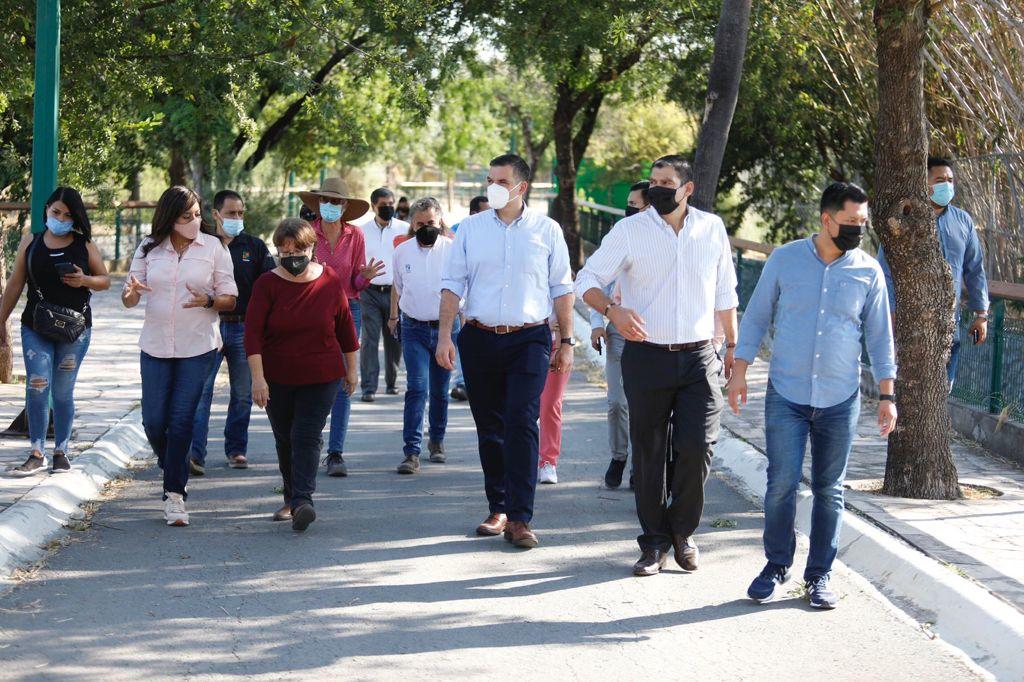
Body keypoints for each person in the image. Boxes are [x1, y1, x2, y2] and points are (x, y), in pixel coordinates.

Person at [730, 182, 898, 609]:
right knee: (780, 484)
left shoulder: (868, 271)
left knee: (830, 489)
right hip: (785, 392)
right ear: (826, 219)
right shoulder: (785, 259)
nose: (859, 230)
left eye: (864, 223)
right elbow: (756, 317)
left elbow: (880, 337)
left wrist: (886, 395)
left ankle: (819, 576)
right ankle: (776, 565)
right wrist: (739, 373)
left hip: (840, 397)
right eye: (851, 222)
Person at [576, 155, 738, 577]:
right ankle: (653, 544)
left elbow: (726, 291)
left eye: (667, 182)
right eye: (653, 181)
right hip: (646, 357)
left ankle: (682, 532)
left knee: (698, 446)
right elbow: (586, 280)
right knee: (648, 454)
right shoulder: (630, 231)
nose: (657, 189)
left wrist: (733, 348)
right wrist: (613, 312)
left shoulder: (711, 229)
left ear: (687, 189)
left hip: (701, 357)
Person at [437, 153, 574, 549]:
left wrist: (565, 342)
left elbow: (562, 288)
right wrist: (445, 335)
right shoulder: (470, 230)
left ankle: (520, 517)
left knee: (521, 420)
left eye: (500, 181)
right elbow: (452, 283)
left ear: (521, 187)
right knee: (491, 427)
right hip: (478, 338)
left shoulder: (547, 231)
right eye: (489, 180)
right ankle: (497, 507)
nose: (492, 187)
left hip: (529, 338)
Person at [123, 186, 238, 526]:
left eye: (198, 214)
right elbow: (131, 296)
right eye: (187, 217)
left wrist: (207, 300)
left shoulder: (213, 247)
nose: (194, 221)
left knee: (182, 419)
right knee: (154, 422)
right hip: (155, 345)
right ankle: (173, 463)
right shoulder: (148, 247)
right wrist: (130, 293)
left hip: (197, 346)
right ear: (170, 218)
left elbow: (230, 297)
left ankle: (175, 495)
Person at [246, 218, 359, 532]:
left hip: (322, 375)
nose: (292, 255)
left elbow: (346, 329)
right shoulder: (267, 284)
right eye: (285, 250)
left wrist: (353, 369)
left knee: (305, 435)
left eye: (299, 249)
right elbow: (252, 335)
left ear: (312, 247)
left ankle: (303, 500)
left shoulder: (330, 280)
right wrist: (258, 379)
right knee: (285, 439)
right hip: (277, 376)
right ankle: (291, 497)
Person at [0, 187, 110, 476]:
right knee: (37, 383)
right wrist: (1, 320)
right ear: (46, 209)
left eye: (67, 215)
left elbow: (104, 280)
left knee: (62, 392)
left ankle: (61, 450)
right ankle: (36, 452)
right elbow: (14, 285)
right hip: (36, 326)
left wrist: (84, 279)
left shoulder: (84, 246)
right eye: (56, 212)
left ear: (75, 218)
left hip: (75, 330)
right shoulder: (31, 242)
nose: (60, 218)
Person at [877, 156, 989, 389]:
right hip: (909, 325)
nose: (946, 185)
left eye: (950, 180)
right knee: (907, 393)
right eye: (939, 180)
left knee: (941, 392)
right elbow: (885, 272)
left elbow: (975, 269)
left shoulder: (963, 222)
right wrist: (892, 314)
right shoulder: (905, 220)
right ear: (924, 182)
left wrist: (981, 314)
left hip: (949, 325)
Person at [297, 178, 382, 477]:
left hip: (348, 309)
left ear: (345, 206)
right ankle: (310, 440)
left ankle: (335, 453)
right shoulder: (308, 233)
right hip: (312, 310)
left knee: (346, 379)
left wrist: (367, 277)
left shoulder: (355, 235)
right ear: (318, 203)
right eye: (326, 201)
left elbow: (356, 283)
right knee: (312, 377)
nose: (331, 206)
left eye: (336, 202)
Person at [189, 189, 273, 475]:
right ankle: (195, 454)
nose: (237, 218)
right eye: (231, 213)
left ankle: (236, 449)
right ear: (215, 215)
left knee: (242, 393)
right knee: (201, 392)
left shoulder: (255, 247)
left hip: (245, 328)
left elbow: (270, 287)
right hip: (208, 325)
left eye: (241, 213)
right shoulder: (202, 246)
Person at [388, 198, 458, 474]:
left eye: (430, 223)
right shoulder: (402, 251)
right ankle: (411, 451)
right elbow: (399, 286)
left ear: (439, 222)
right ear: (412, 225)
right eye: (420, 224)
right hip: (414, 327)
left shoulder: (453, 251)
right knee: (417, 387)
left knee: (440, 390)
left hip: (446, 328)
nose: (426, 227)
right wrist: (394, 317)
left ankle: (437, 441)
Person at [590, 181, 649, 488]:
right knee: (617, 401)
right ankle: (618, 455)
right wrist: (597, 321)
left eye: (634, 204)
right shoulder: (617, 236)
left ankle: (641, 466)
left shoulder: (661, 242)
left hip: (651, 335)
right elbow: (595, 281)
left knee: (645, 404)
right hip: (617, 330)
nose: (628, 209)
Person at [359, 187, 407, 402]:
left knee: (394, 337)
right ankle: (368, 386)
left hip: (395, 291)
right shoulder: (362, 231)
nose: (388, 208)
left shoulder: (405, 230)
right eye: (383, 205)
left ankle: (391, 382)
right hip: (369, 291)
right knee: (369, 338)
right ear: (373, 206)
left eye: (391, 204)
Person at [449, 195, 490, 402]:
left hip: (483, 303)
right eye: (486, 211)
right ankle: (461, 382)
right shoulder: (458, 231)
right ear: (474, 213)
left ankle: (473, 382)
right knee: (463, 343)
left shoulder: (496, 233)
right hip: (461, 299)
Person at [536, 315, 572, 485]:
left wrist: (563, 344)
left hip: (557, 345)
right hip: (528, 343)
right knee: (522, 406)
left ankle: (548, 461)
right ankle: (516, 459)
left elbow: (567, 298)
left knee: (550, 403)